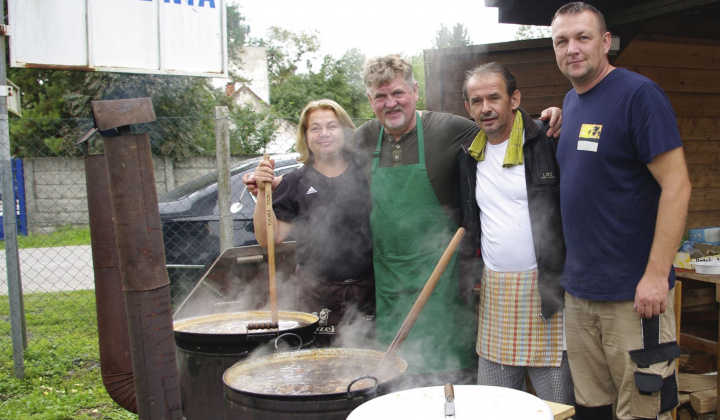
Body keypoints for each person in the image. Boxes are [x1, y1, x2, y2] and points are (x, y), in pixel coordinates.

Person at [354, 55, 563, 386]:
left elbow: (507, 125)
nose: (390, 103)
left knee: (472, 388)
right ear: (370, 100)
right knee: (399, 390)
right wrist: (275, 184)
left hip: (446, 292)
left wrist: (551, 117)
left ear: (414, 91)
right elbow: (322, 163)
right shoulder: (363, 139)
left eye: (398, 93)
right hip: (391, 291)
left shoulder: (450, 129)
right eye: (380, 96)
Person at [550, 3, 692, 419]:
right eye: (562, 41)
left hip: (634, 298)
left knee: (644, 410)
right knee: (592, 408)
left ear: (606, 41)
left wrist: (654, 275)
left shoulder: (638, 95)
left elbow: (677, 186)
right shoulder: (571, 102)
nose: (572, 49)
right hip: (580, 293)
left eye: (583, 37)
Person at [458, 62, 573, 405]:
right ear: (467, 108)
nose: (486, 108)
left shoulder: (546, 139)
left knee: (556, 405)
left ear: (515, 99)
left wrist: (565, 116)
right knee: (495, 405)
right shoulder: (468, 153)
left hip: (546, 291)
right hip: (495, 292)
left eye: (494, 97)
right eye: (476, 101)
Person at [252, 99, 375, 347]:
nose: (324, 133)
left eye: (332, 126)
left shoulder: (368, 173)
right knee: (320, 366)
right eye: (315, 128)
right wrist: (264, 191)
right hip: (318, 293)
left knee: (368, 361)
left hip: (369, 290)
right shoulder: (295, 181)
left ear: (345, 130)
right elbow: (269, 238)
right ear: (305, 136)